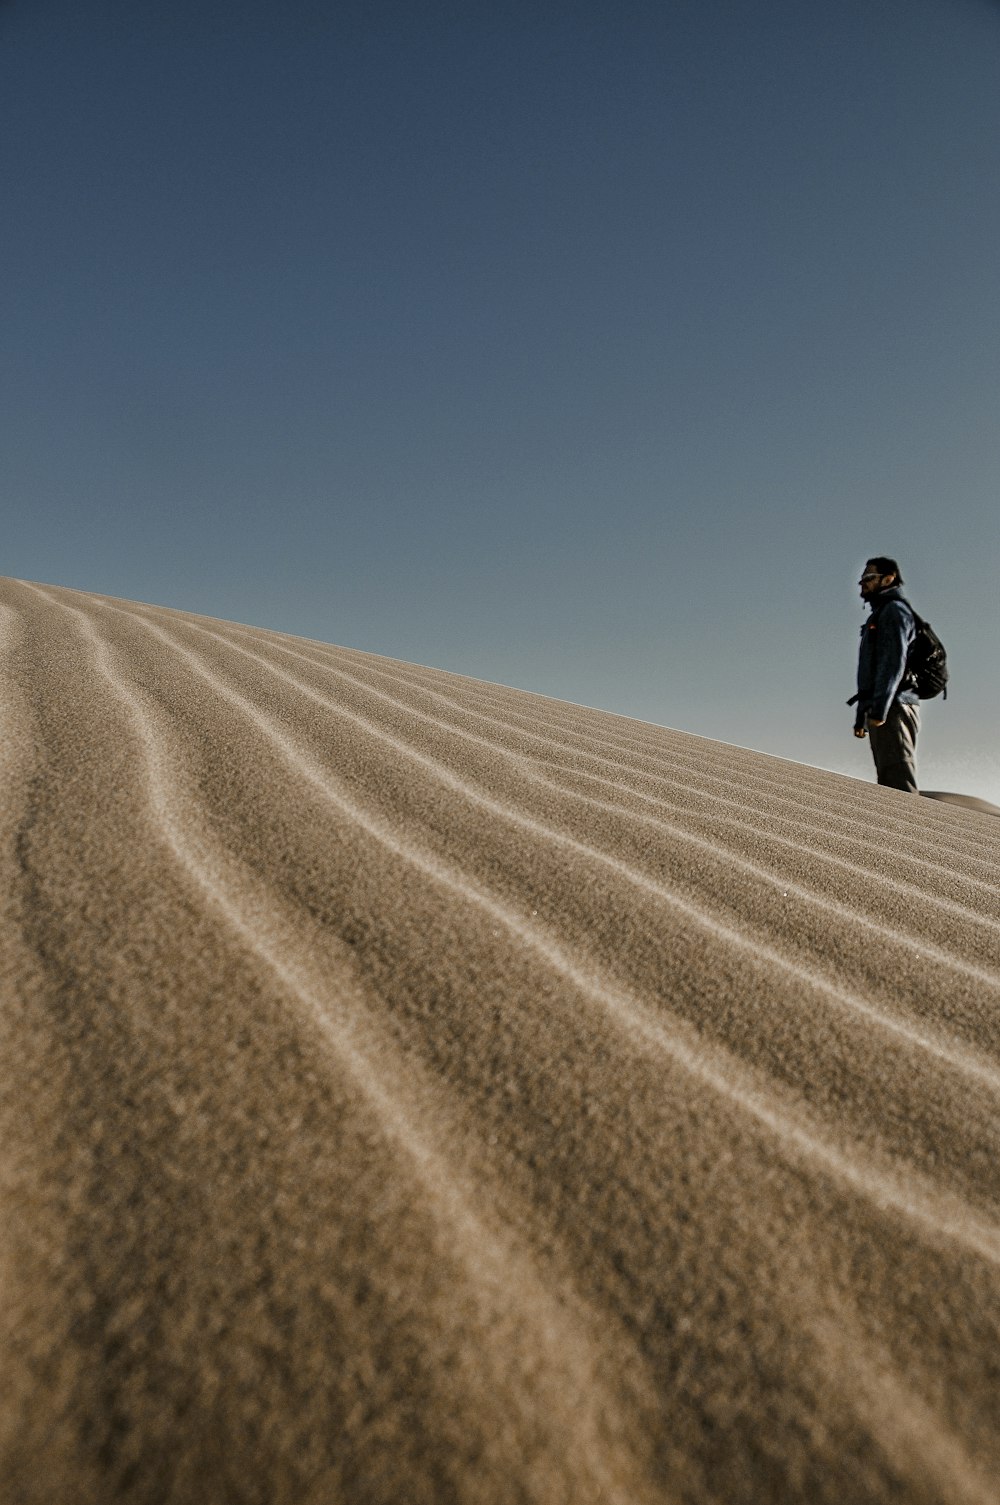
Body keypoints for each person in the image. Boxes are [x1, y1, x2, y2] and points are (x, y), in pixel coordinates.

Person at [852, 557, 920, 793]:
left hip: (895, 704)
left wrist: (879, 708)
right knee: (889, 778)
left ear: (888, 578)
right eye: (862, 579)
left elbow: (893, 663)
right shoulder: (879, 613)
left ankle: (912, 829)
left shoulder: (894, 611)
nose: (862, 583)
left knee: (898, 777)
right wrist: (863, 713)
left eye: (869, 578)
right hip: (885, 705)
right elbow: (869, 671)